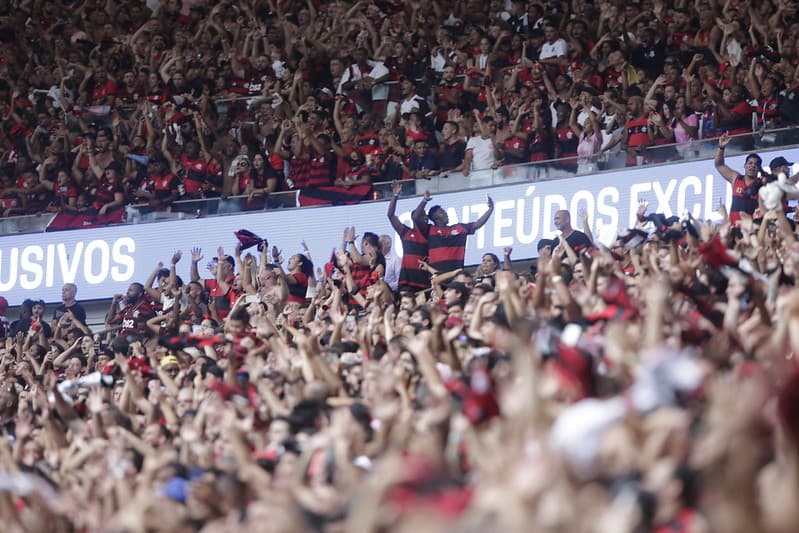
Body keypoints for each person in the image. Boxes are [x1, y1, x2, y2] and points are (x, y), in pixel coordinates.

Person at [425, 195, 495, 274]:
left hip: (456, 275)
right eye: (442, 212)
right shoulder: (430, 230)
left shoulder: (459, 228)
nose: (446, 213)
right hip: (437, 275)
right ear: (435, 217)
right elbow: (416, 218)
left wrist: (490, 209)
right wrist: (424, 201)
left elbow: (477, 224)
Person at [387, 181, 431, 293]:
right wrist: (395, 195)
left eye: (426, 216)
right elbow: (390, 215)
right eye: (423, 215)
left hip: (424, 282)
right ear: (414, 218)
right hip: (406, 281)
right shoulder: (405, 232)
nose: (425, 218)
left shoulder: (430, 234)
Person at [714, 132, 764, 225]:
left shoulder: (761, 184)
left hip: (750, 231)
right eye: (750, 163)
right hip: (733, 231)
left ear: (759, 169)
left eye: (756, 164)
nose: (752, 166)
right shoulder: (736, 178)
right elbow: (719, 164)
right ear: (745, 165)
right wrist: (721, 148)